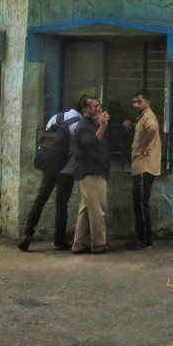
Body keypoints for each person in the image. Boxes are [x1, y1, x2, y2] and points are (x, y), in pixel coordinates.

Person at [18, 104, 81, 252]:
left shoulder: (56, 118)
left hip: (50, 166)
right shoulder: (79, 122)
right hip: (67, 169)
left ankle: (27, 234)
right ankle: (59, 240)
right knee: (61, 204)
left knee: (40, 199)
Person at [70, 94, 112, 254]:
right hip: (91, 172)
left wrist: (102, 125)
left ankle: (78, 243)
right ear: (85, 109)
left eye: (98, 105)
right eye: (94, 106)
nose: (98, 108)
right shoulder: (83, 126)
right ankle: (98, 243)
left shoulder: (91, 125)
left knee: (87, 208)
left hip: (95, 170)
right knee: (97, 210)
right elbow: (89, 144)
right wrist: (102, 126)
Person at [129, 89, 160, 249]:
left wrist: (144, 146)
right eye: (134, 102)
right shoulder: (141, 117)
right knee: (139, 203)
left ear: (148, 102)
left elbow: (153, 128)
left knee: (141, 204)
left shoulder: (148, 116)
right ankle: (143, 238)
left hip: (144, 166)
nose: (136, 104)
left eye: (139, 101)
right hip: (140, 166)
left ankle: (144, 240)